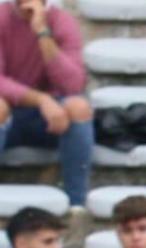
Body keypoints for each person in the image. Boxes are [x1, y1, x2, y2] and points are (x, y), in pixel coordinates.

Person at [0, 0, 93, 208]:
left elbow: (73, 84)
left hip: (50, 121)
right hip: (10, 114)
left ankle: (75, 205)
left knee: (78, 107)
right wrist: (42, 99)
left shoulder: (62, 21)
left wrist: (42, 33)